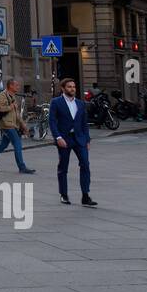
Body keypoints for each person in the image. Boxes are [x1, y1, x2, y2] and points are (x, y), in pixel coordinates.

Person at [49, 77, 96, 207]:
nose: (72, 89)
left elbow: (84, 123)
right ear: (63, 89)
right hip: (64, 139)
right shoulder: (56, 102)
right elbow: (52, 122)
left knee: (85, 165)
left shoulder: (80, 103)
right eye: (69, 87)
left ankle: (85, 196)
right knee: (63, 167)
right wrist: (58, 137)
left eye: (74, 87)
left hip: (79, 139)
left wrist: (87, 139)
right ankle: (63, 195)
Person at [0, 79, 34, 174]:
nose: (18, 87)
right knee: (17, 144)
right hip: (7, 125)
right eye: (17, 85)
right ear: (11, 86)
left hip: (12, 124)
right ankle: (22, 167)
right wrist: (10, 107)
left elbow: (17, 114)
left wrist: (23, 126)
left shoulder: (13, 97)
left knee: (3, 145)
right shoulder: (3, 95)